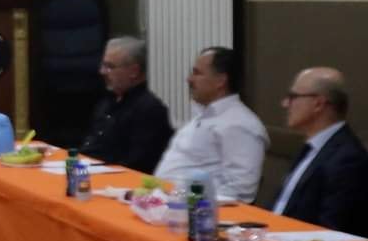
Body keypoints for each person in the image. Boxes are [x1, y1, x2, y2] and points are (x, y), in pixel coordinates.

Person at [269, 67, 368, 239]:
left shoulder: (349, 159)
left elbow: (332, 232)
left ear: (318, 104)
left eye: (293, 97)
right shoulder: (310, 148)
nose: (285, 104)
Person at [156, 46, 269, 203]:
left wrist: (189, 203)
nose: (189, 79)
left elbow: (239, 191)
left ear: (220, 81)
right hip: (166, 204)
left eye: (197, 73)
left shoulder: (240, 124)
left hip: (196, 211)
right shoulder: (203, 116)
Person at [81, 37, 172, 174]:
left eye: (110, 67)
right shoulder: (106, 103)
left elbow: (136, 163)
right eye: (103, 65)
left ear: (134, 71)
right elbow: (91, 146)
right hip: (90, 172)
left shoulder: (149, 109)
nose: (102, 71)